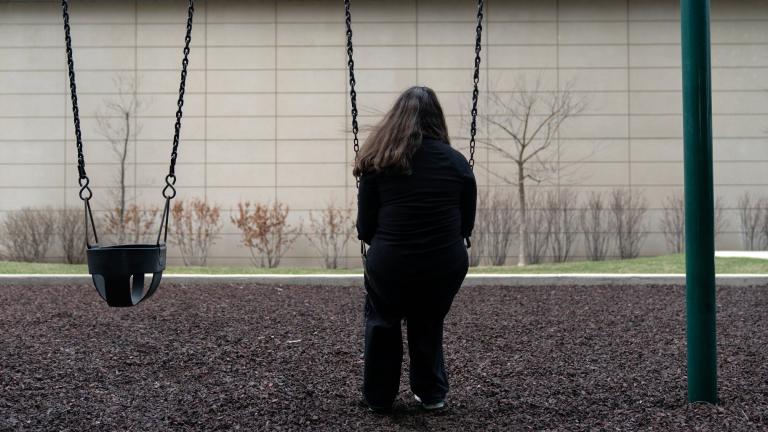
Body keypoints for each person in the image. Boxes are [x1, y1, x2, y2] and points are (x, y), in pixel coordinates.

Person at [354, 86, 477, 413]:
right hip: (443, 264)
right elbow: (466, 226)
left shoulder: (378, 163)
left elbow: (365, 228)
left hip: (391, 263)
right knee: (428, 320)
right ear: (437, 119)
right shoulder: (458, 164)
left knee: (383, 319)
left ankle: (379, 397)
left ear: (396, 119)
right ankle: (431, 393)